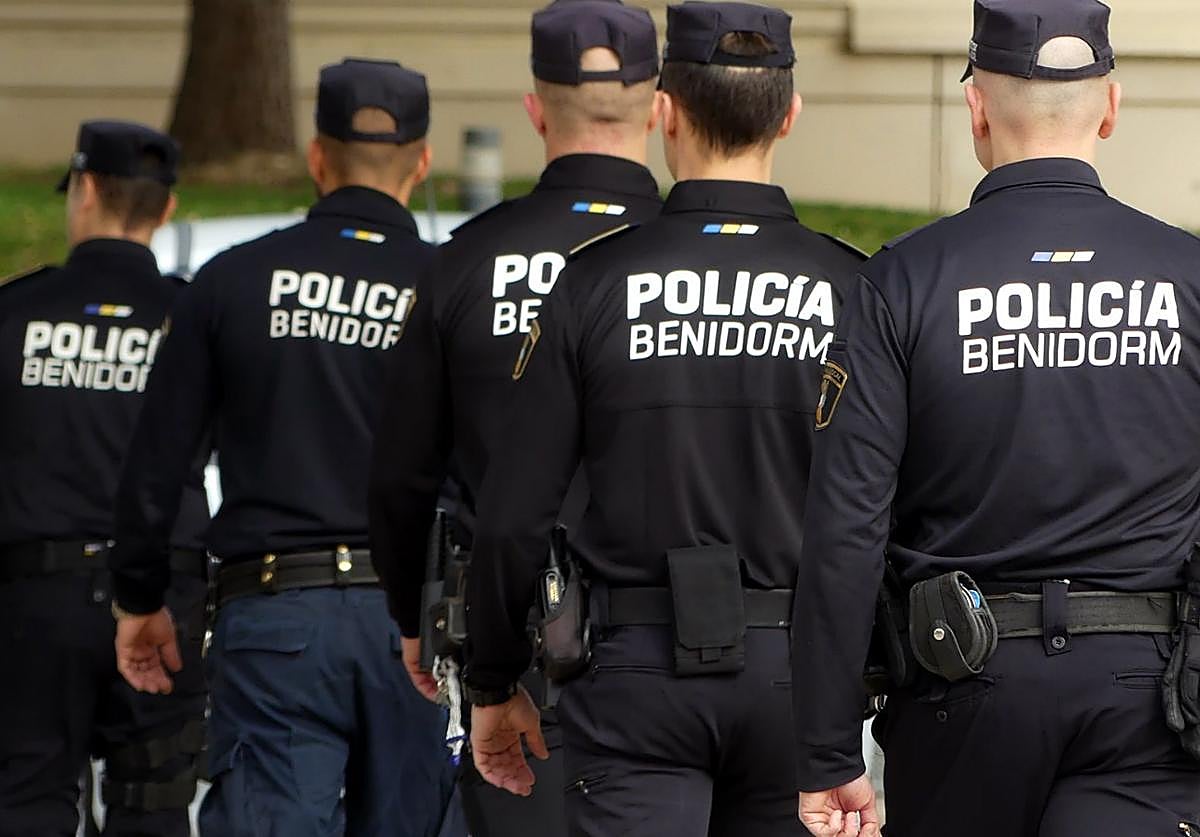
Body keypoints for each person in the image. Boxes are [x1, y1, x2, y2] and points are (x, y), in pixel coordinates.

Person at [791, 1, 1200, 835]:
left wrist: (828, 749)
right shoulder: (1189, 275)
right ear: (1110, 108)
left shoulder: (902, 281)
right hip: (1151, 700)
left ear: (976, 108)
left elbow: (846, 529)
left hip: (964, 692)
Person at [459, 3, 867, 834]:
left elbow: (511, 515)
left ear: (664, 111)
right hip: (800, 671)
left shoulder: (591, 283)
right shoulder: (853, 286)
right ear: (789, 115)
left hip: (636, 671)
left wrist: (494, 681)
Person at [107, 59, 460, 837]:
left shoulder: (232, 281)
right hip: (415, 630)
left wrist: (140, 596)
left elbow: (157, 462)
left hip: (276, 624)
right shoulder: (451, 289)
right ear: (424, 161)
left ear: (316, 156)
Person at [367, 1, 662, 834]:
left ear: (535, 109)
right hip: (675, 642)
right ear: (658, 105)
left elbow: (400, 471)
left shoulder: (463, 259)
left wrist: (409, 617)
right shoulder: (686, 251)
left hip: (509, 634)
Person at [0, 120, 210, 837]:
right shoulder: (194, 317)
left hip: (34, 602)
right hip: (164, 601)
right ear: (167, 209)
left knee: (27, 800)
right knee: (153, 804)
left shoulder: (14, 311)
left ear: (84, 190)